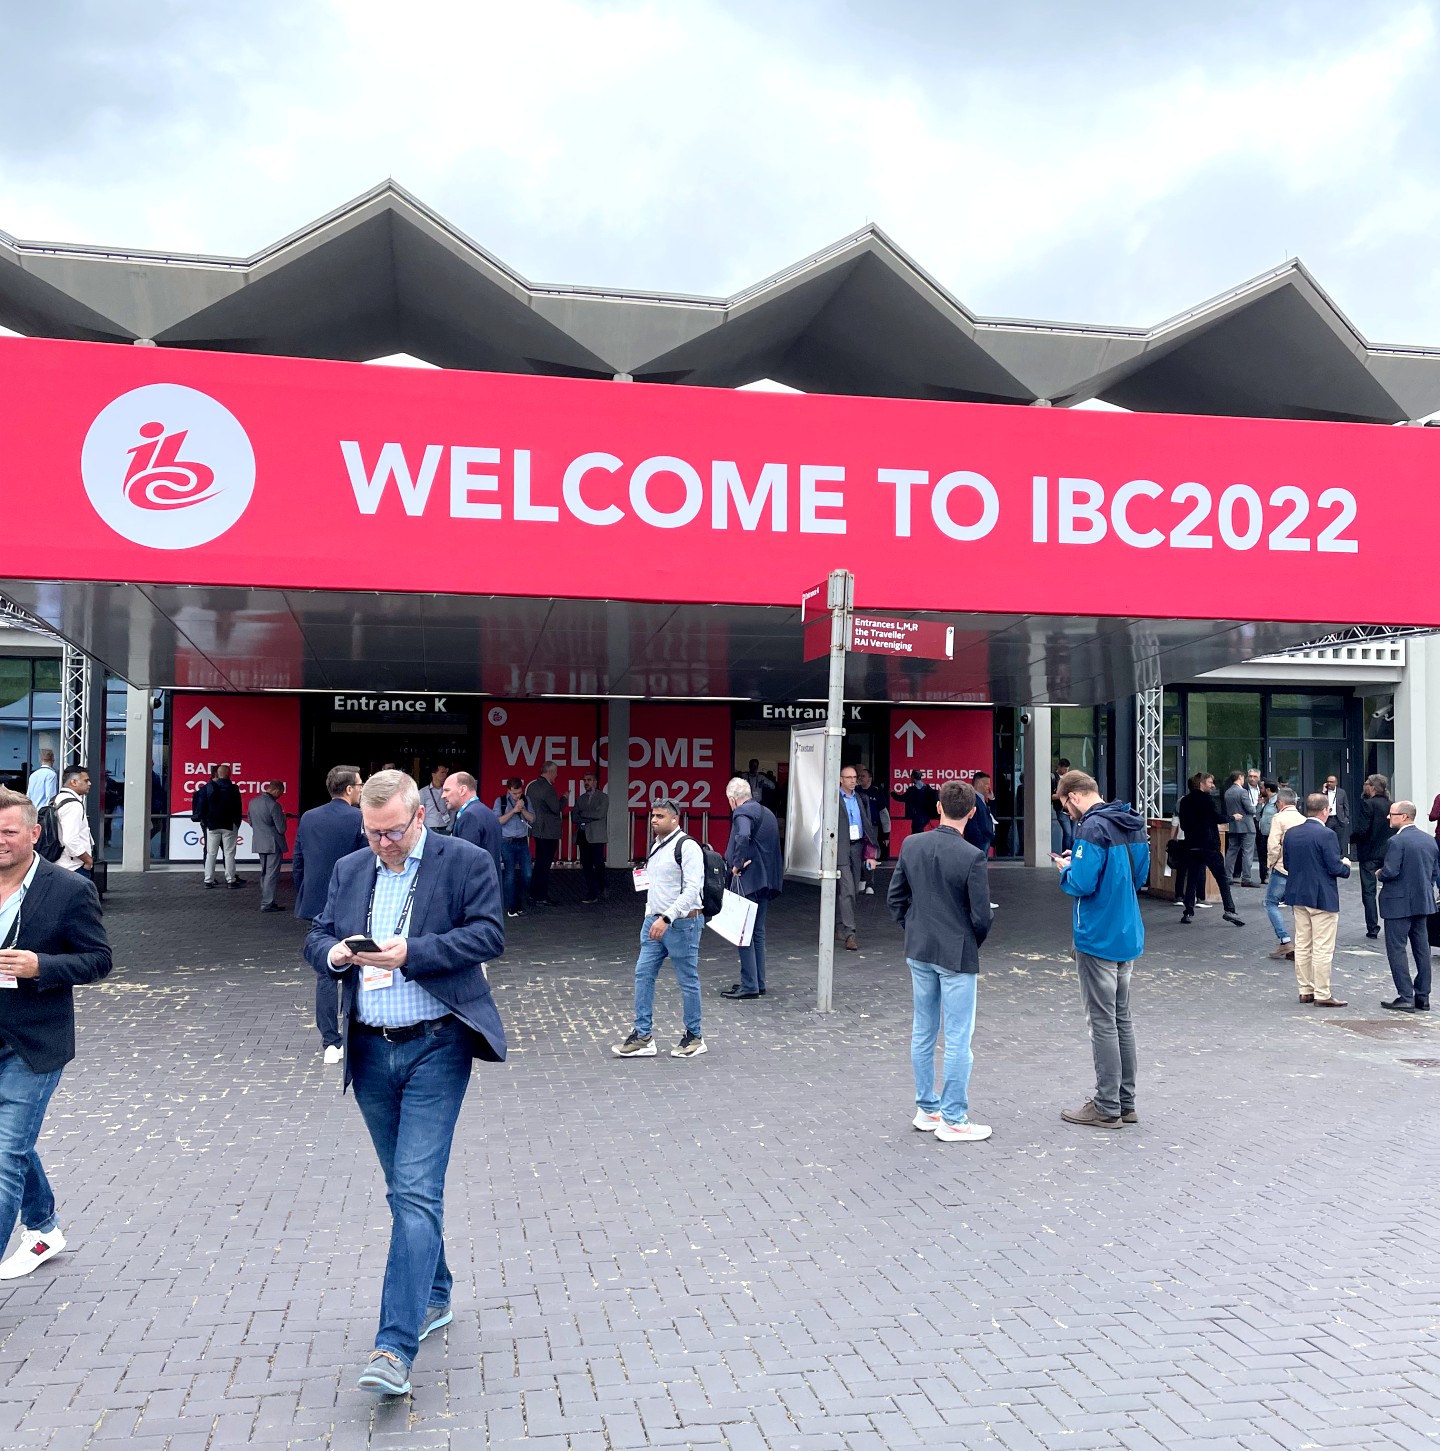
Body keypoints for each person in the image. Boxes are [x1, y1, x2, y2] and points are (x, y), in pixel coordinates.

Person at [305, 770, 505, 1397]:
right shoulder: (350, 868)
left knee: (415, 1191)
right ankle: (436, 1289)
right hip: (367, 1049)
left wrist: (410, 954)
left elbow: (489, 935)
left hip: (437, 1046)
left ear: (420, 817)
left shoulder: (464, 860)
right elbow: (316, 933)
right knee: (402, 1188)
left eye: (393, 832)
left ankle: (394, 1348)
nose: (383, 844)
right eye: (373, 833)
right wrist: (337, 955)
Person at [0, 786, 112, 1281]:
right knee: (12, 1144)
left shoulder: (68, 889)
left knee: (4, 1155)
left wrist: (40, 965)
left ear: (34, 833)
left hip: (34, 1043)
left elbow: (98, 960)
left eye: (8, 832)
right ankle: (44, 1226)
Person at [887, 778, 993, 1142]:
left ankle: (927, 1109)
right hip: (956, 953)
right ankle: (953, 1117)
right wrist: (969, 941)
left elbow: (895, 898)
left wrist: (911, 927)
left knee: (923, 1030)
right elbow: (981, 916)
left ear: (938, 807)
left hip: (919, 948)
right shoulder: (972, 856)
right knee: (959, 1037)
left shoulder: (912, 844)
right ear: (973, 813)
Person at [1053, 770, 1150, 1130]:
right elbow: (1138, 876)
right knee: (1122, 1019)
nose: (1067, 813)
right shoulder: (1132, 823)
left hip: (1097, 934)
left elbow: (1082, 882)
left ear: (1074, 797)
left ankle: (1106, 1104)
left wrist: (1066, 868)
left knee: (1102, 1021)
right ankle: (1126, 1102)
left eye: (1065, 806)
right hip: (1127, 932)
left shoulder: (1091, 828)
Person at [613, 799, 708, 1059]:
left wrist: (666, 918)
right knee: (643, 975)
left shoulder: (687, 847)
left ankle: (694, 1036)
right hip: (653, 923)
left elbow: (692, 889)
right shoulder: (657, 845)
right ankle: (643, 1035)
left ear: (675, 819)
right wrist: (649, 916)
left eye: (660, 816)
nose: (654, 820)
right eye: (652, 816)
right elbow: (655, 885)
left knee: (687, 980)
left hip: (682, 924)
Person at [293, 765, 367, 1065]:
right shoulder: (359, 818)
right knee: (357, 964)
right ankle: (355, 1033)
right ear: (349, 789)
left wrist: (305, 895)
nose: (362, 790)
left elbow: (298, 860)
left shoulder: (309, 817)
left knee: (326, 971)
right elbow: (367, 860)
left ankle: (330, 1040)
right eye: (360, 785)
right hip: (352, 903)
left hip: (316, 904)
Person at [1282, 793, 1352, 1008]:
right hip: (1322, 897)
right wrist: (1346, 865)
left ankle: (1305, 990)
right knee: (1322, 947)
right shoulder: (1327, 835)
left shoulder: (1292, 834)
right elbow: (1334, 867)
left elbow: (1287, 864)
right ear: (1325, 811)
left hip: (1297, 894)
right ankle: (1323, 993)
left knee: (1303, 944)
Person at [720, 777, 783, 1000]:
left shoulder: (742, 812)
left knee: (743, 933)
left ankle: (749, 985)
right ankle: (758, 981)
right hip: (766, 881)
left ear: (732, 799)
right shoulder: (767, 813)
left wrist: (736, 864)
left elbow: (743, 834)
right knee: (757, 933)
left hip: (749, 881)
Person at [1377, 800, 1440, 1012]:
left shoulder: (1397, 841)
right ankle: (1423, 996)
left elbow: (1391, 871)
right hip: (1423, 902)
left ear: (1404, 816)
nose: (1388, 817)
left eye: (1392, 814)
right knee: (1422, 949)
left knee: (1397, 949)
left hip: (1398, 904)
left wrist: (1380, 874)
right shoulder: (1429, 841)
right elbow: (1434, 873)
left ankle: (1405, 996)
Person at [1176, 773, 1243, 926]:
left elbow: (1184, 824)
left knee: (1192, 878)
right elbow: (1216, 817)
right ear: (1201, 784)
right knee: (1222, 878)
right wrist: (1232, 817)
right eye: (1210, 782)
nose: (1213, 785)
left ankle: (1187, 912)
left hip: (1192, 844)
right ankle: (1229, 910)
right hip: (1209, 844)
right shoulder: (1207, 800)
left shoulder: (1185, 801)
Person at [837, 765, 878, 952]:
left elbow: (868, 826)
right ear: (840, 779)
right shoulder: (834, 799)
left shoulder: (861, 798)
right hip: (841, 849)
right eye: (849, 777)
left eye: (855, 777)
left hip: (857, 847)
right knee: (847, 889)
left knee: (852, 890)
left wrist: (871, 853)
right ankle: (850, 933)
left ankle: (840, 924)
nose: (853, 780)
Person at [1350, 773, 1395, 940]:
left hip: (1369, 853)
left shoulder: (1368, 805)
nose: (1364, 786)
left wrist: (1352, 839)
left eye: (1366, 784)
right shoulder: (1392, 805)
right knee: (1391, 888)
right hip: (1388, 852)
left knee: (1369, 892)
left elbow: (1362, 830)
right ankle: (1392, 922)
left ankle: (1373, 927)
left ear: (1373, 787)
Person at [1263, 786, 1305, 961]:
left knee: (1270, 903)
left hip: (1282, 868)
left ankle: (1285, 939)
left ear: (1280, 803)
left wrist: (1271, 863)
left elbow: (1273, 845)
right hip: (1301, 869)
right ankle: (1302, 945)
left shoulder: (1279, 819)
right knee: (1298, 907)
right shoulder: (1304, 819)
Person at [442, 772, 502, 884]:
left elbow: (465, 863)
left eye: (447, 790)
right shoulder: (487, 812)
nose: (443, 795)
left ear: (462, 790)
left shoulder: (469, 816)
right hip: (490, 889)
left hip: (476, 891)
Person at [492, 779, 534, 918]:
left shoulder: (525, 800)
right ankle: (512, 906)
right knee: (509, 874)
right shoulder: (501, 801)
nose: (517, 796)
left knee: (527, 874)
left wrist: (522, 810)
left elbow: (532, 819)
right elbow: (497, 820)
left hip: (522, 841)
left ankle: (520, 899)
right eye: (515, 793)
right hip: (507, 841)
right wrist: (513, 810)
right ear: (508, 790)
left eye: (519, 792)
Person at [200, 763, 244, 889]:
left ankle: (208, 880)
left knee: (211, 853)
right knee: (229, 853)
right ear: (229, 774)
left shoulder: (209, 787)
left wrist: (206, 822)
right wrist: (237, 824)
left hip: (212, 825)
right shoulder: (234, 789)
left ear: (217, 774)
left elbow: (203, 807)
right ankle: (231, 880)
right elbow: (238, 808)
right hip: (229, 825)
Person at [247, 780, 288, 913]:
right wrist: (283, 817)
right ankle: (267, 903)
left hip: (259, 842)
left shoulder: (253, 802)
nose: (281, 795)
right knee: (271, 874)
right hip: (273, 844)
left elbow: (251, 822)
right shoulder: (274, 805)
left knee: (264, 872)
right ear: (276, 790)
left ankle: (267, 899)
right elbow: (281, 829)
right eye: (281, 792)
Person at [526, 762, 562, 905]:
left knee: (539, 863)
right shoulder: (548, 789)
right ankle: (541, 896)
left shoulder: (532, 786)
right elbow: (556, 808)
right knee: (544, 865)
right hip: (548, 831)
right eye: (556, 772)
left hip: (537, 829)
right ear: (550, 772)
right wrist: (564, 799)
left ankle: (534, 894)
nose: (557, 775)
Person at [52, 767, 94, 879]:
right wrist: (87, 860)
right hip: (74, 866)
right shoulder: (73, 805)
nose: (89, 783)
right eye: (86, 780)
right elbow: (70, 839)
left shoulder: (56, 799)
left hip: (59, 862)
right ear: (74, 782)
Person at [574, 773, 609, 903]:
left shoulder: (603, 797)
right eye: (584, 780)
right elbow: (574, 817)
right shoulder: (580, 798)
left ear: (595, 782)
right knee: (586, 865)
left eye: (589, 780)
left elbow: (600, 814)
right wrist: (590, 817)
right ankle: (592, 892)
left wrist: (583, 814)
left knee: (598, 863)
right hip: (583, 835)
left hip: (597, 836)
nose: (586, 783)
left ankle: (603, 885)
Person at [1222, 770, 1258, 887]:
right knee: (1247, 853)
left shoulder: (1227, 792)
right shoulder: (1242, 792)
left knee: (1232, 851)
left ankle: (1227, 876)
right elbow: (1251, 810)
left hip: (1233, 825)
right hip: (1247, 826)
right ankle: (1246, 878)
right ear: (1240, 777)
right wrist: (1257, 805)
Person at [856, 766, 888, 869]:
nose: (860, 778)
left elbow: (884, 814)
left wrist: (886, 834)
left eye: (863, 776)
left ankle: (869, 878)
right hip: (857, 826)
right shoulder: (855, 791)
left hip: (872, 826)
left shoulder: (877, 792)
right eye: (859, 776)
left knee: (870, 850)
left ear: (870, 778)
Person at [891, 770, 935, 838]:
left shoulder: (912, 790)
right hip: (926, 817)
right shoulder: (928, 788)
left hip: (917, 816)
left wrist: (892, 793)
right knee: (919, 834)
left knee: (916, 835)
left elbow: (902, 798)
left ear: (913, 777)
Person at [963, 771, 996, 858]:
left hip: (985, 840)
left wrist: (991, 799)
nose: (989, 787)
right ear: (978, 784)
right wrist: (980, 838)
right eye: (986, 784)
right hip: (978, 842)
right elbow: (972, 823)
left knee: (981, 867)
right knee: (977, 867)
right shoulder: (972, 799)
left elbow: (991, 815)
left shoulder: (982, 799)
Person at [1323, 774, 1351, 857]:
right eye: (1328, 782)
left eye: (1331, 782)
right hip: (1328, 819)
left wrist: (1346, 818)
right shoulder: (1324, 792)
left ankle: (1339, 856)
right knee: (1327, 838)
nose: (1329, 783)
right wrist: (1324, 792)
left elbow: (1346, 806)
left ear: (1336, 783)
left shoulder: (1341, 792)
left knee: (1339, 839)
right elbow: (1321, 802)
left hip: (1339, 819)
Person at [419, 764, 452, 835]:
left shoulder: (448, 790)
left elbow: (452, 809)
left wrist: (449, 827)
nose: (445, 775)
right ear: (433, 774)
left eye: (446, 773)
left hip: (445, 827)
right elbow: (418, 812)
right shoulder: (423, 792)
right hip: (429, 827)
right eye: (442, 772)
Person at [1255, 778, 1277, 884]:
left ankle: (1271, 874)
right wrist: (1259, 804)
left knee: (1271, 853)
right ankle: (1263, 875)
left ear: (1268, 789)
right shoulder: (1265, 801)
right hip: (1262, 832)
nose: (1260, 790)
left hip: (1272, 832)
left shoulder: (1276, 801)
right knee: (1262, 854)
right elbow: (1258, 816)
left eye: (1262, 788)